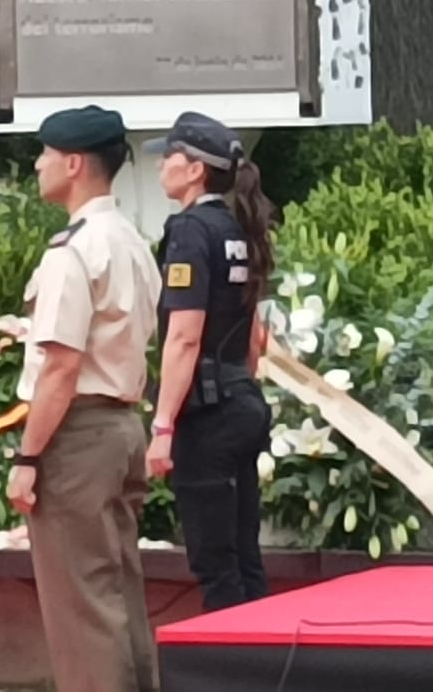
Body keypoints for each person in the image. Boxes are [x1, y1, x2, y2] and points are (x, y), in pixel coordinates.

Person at [6, 106, 161, 692]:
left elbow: (61, 367)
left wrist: (26, 458)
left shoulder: (72, 249)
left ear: (73, 164)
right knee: (120, 595)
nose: (38, 164)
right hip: (122, 428)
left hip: (77, 438)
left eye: (44, 153)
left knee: (81, 612)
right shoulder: (131, 241)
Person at [142, 112, 275, 612]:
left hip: (209, 414)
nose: (161, 167)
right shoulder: (239, 228)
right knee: (244, 557)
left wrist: (162, 425)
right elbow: (254, 338)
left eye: (170, 157)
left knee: (216, 565)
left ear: (196, 170)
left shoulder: (192, 231)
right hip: (242, 403)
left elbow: (183, 338)